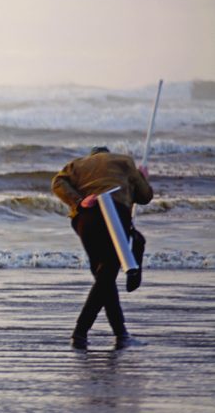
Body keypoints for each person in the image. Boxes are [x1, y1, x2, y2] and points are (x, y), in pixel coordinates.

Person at [52, 146, 153, 350]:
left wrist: (79, 202)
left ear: (92, 155)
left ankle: (121, 334)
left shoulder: (77, 165)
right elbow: (145, 196)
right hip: (114, 215)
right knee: (106, 275)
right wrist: (143, 178)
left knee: (103, 278)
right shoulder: (124, 162)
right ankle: (80, 333)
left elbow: (57, 183)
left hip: (85, 219)